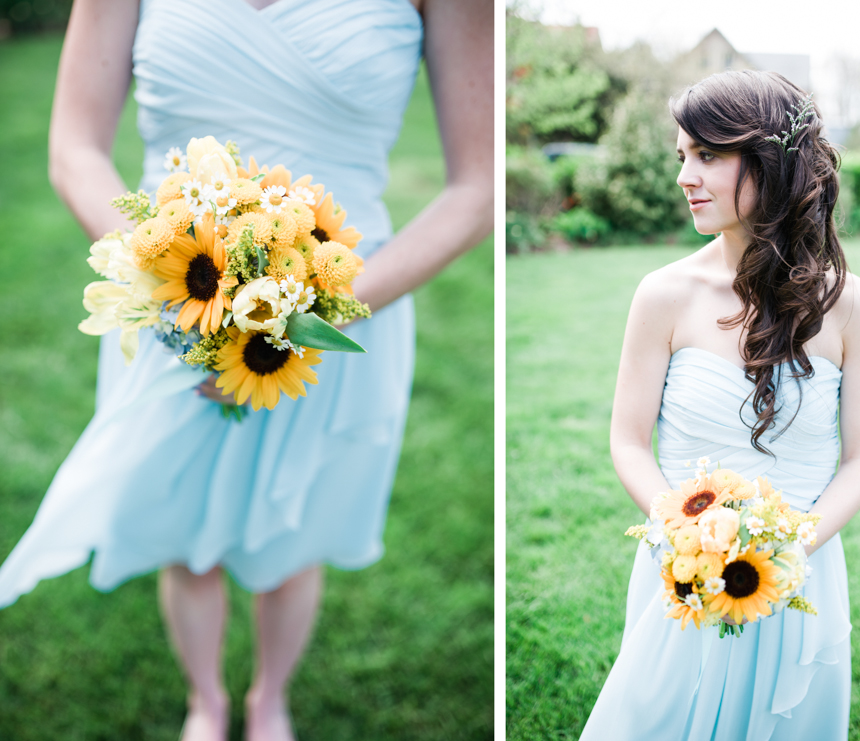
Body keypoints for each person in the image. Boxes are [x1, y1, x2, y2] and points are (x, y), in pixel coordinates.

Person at [0, 1, 492, 740]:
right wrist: (171, 285)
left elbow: (477, 187)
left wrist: (308, 316)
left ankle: (269, 700)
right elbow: (74, 146)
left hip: (349, 306)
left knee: (297, 526)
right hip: (171, 308)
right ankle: (206, 699)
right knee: (180, 520)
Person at [579, 70, 860, 740]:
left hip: (804, 569)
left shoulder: (852, 304)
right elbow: (629, 439)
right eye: (681, 155)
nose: (685, 175)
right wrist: (683, 536)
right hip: (682, 568)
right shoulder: (663, 294)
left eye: (708, 155)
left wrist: (788, 547)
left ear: (771, 161)